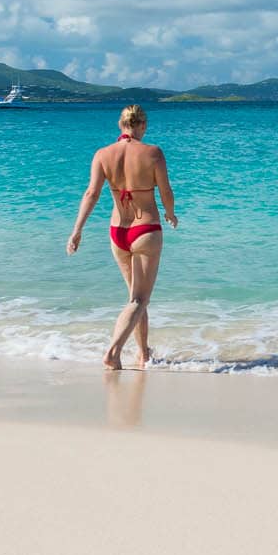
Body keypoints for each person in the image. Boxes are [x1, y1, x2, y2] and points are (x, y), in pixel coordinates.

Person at [66, 105, 177, 370]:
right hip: (145, 229)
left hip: (118, 232)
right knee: (139, 300)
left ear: (120, 124)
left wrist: (77, 230)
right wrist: (170, 214)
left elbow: (91, 194)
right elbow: (165, 191)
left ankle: (143, 354)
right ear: (143, 125)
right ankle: (113, 352)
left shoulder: (103, 154)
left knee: (134, 299)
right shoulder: (153, 153)